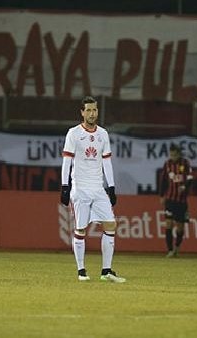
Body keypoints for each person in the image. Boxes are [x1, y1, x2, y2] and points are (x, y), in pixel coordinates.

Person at [60, 95, 125, 283]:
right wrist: (65, 186)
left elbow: (106, 162)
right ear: (82, 112)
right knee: (81, 229)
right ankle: (81, 271)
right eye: (88, 110)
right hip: (80, 188)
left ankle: (106, 271)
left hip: (98, 188)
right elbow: (67, 161)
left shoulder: (103, 134)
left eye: (94, 110)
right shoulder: (73, 133)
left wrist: (111, 187)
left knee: (111, 225)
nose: (92, 113)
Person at [159, 143, 193, 257]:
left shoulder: (185, 163)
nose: (172, 157)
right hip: (170, 200)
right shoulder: (167, 164)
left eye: (174, 155)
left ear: (179, 154)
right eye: (171, 155)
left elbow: (191, 178)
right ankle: (169, 250)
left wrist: (185, 187)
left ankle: (176, 248)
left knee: (180, 226)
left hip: (181, 201)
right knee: (168, 224)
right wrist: (161, 195)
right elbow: (163, 180)